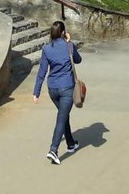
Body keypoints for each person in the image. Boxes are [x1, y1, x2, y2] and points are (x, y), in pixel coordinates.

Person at [33, 20, 82, 165]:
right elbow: (78, 60)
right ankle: (53, 150)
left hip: (52, 88)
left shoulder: (46, 49)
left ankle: (71, 143)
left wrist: (36, 92)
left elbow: (42, 71)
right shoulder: (69, 46)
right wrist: (69, 42)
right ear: (63, 32)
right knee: (62, 117)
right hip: (67, 88)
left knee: (63, 114)